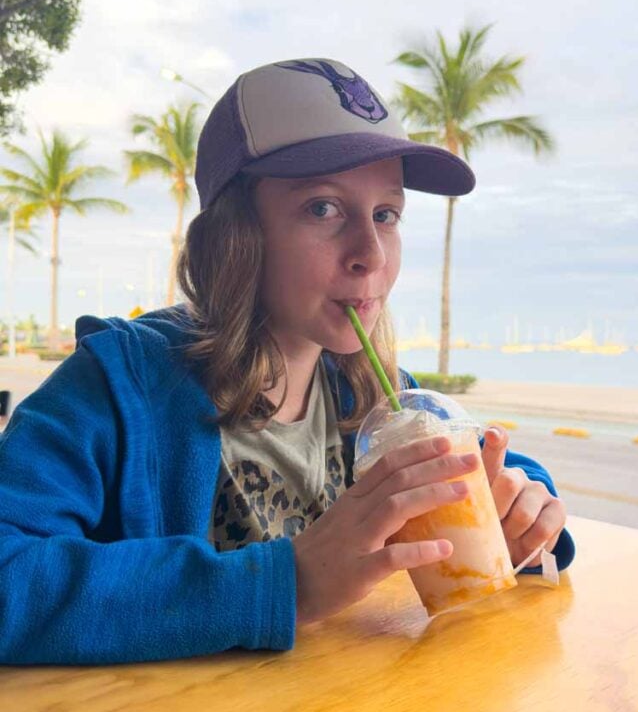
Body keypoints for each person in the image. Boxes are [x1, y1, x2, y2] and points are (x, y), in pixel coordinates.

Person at [0, 57, 574, 665]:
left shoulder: (371, 399)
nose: (371, 254)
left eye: (386, 214)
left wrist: (522, 510)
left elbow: (497, 469)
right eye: (323, 208)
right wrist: (284, 584)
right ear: (233, 237)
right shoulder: (122, 386)